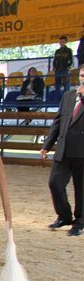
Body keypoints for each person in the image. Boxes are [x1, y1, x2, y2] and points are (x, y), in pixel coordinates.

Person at [40, 64, 84, 237]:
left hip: (82, 151)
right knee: (55, 183)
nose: (83, 78)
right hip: (63, 148)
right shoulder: (68, 96)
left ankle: (80, 222)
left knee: (80, 189)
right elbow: (58, 122)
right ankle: (64, 216)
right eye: (82, 75)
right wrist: (46, 145)